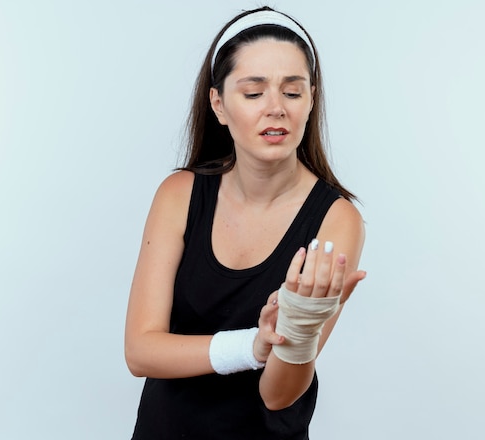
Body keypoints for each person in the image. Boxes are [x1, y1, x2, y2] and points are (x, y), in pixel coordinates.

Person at [124, 6, 366, 439]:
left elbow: (278, 396)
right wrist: (254, 344)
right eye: (253, 93)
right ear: (219, 103)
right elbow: (141, 350)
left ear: (311, 98)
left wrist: (300, 330)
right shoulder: (179, 194)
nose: (275, 108)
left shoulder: (336, 218)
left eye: (292, 93)